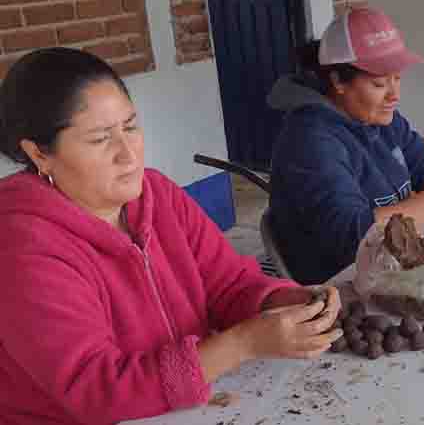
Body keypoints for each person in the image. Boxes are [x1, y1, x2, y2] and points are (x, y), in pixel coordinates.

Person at [0, 48, 343, 425]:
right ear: (39, 154)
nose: (128, 155)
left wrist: (283, 301)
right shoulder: (22, 247)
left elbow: (228, 284)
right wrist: (243, 343)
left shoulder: (158, 196)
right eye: (100, 140)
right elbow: (98, 391)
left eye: (130, 127)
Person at [268, 7, 424, 285]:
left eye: (398, 78)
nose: (395, 95)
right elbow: (355, 237)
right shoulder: (310, 142)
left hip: (389, 264)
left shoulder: (381, 117)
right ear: (338, 81)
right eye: (379, 83)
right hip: (339, 285)